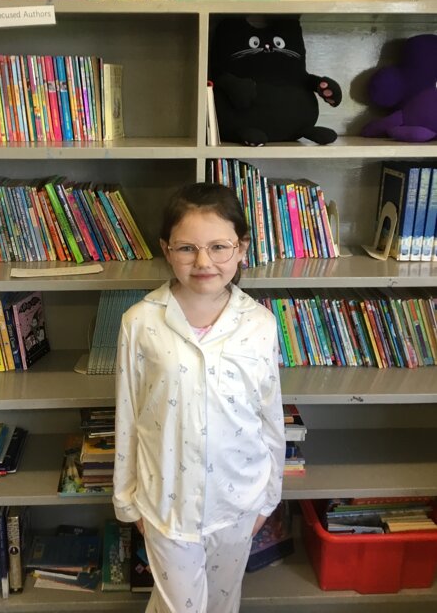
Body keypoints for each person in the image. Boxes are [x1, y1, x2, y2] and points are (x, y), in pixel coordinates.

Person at [113, 182, 285, 613]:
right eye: (187, 248)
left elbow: (269, 416)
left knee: (223, 604)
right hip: (167, 505)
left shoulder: (260, 323)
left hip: (238, 503)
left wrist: (268, 497)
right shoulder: (140, 322)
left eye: (219, 247)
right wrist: (127, 501)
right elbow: (128, 415)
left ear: (241, 248)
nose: (204, 262)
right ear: (167, 250)